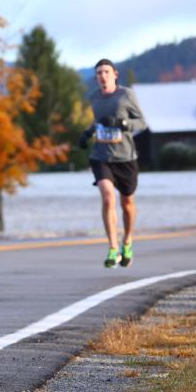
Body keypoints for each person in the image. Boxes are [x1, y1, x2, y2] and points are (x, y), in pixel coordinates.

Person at [78, 59, 147, 268]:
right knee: (108, 198)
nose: (102, 76)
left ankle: (127, 241)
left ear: (115, 74)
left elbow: (142, 122)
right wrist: (88, 133)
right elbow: (98, 121)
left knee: (127, 204)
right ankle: (113, 248)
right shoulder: (94, 97)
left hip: (125, 157)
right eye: (98, 73)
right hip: (101, 155)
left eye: (106, 72)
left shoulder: (126, 95)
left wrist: (123, 123)